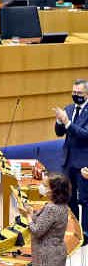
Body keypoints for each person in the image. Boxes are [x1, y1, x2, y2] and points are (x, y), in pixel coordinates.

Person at [18, 174, 70, 266]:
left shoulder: (51, 208)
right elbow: (45, 222)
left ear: (54, 190)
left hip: (47, 255)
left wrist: (28, 216)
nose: (41, 187)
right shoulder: (62, 205)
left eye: (45, 185)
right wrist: (32, 213)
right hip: (55, 252)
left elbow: (37, 230)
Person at [54, 79, 88, 242]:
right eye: (74, 92)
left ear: (87, 94)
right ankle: (75, 231)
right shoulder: (68, 109)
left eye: (79, 93)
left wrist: (67, 122)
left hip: (84, 164)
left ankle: (86, 234)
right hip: (68, 162)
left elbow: (85, 135)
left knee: (85, 200)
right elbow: (59, 133)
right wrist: (59, 121)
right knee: (69, 198)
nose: (76, 95)